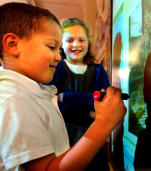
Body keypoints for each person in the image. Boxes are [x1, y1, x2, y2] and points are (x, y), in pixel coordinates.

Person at [0, 2, 127, 171]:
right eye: (52, 47)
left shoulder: (31, 93)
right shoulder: (15, 101)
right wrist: (104, 123)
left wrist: (67, 98)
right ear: (13, 44)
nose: (58, 57)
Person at [44, 17, 111, 171]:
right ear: (61, 43)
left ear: (88, 42)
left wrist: (65, 97)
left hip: (93, 140)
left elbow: (105, 104)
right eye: (69, 40)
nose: (76, 44)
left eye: (81, 39)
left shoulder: (99, 71)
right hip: (61, 141)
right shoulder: (56, 67)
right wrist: (90, 110)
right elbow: (49, 104)